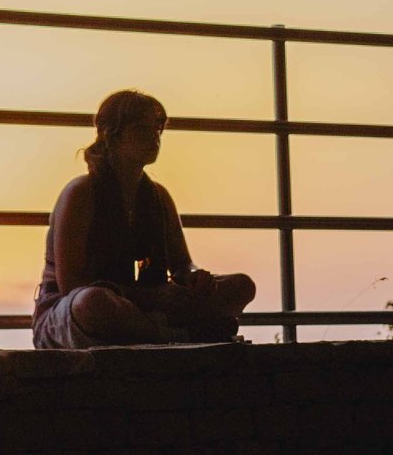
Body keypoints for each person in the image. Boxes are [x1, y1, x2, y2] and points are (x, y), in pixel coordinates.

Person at [31, 89, 257, 349]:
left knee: (240, 285)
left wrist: (196, 279)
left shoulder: (158, 197)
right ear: (111, 136)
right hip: (70, 316)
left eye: (157, 130)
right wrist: (152, 298)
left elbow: (183, 264)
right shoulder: (81, 193)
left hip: (145, 309)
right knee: (92, 302)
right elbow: (72, 286)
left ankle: (158, 331)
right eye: (141, 129)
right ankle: (178, 336)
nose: (154, 137)